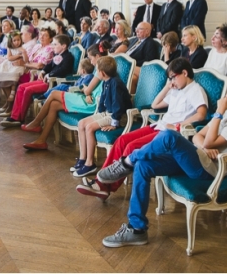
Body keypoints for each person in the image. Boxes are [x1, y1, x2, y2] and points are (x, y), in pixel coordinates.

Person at [99, 74, 227, 247]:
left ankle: (126, 162)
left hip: (210, 169)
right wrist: (207, 145)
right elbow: (198, 137)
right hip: (198, 157)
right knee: (143, 165)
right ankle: (136, 229)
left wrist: (219, 114)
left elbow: (207, 140)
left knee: (169, 136)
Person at [76, 58, 208, 200]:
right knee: (122, 140)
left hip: (168, 134)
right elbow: (155, 105)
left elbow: (201, 115)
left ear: (184, 73)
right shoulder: (176, 89)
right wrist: (168, 87)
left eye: (173, 77)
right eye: (170, 78)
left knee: (131, 147)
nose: (172, 81)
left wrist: (178, 126)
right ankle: (100, 182)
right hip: (158, 126)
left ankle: (105, 186)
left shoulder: (195, 90)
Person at [70, 56, 131, 177]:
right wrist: (99, 114)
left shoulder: (116, 83)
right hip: (107, 112)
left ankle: (89, 164)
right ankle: (83, 159)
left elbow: (118, 105)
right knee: (82, 123)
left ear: (102, 73)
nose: (96, 73)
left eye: (97, 71)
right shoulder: (106, 81)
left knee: (89, 127)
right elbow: (103, 99)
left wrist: (114, 123)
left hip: (118, 116)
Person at [21, 58, 99, 151]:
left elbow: (88, 89)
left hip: (88, 102)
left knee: (54, 93)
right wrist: (87, 92)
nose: (91, 61)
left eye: (91, 57)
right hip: (83, 97)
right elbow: (88, 87)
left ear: (97, 56)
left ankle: (36, 122)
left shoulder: (99, 71)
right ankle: (41, 141)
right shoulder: (96, 70)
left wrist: (88, 93)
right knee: (54, 104)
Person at [0, 34, 75, 127]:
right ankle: (15, 116)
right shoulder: (57, 54)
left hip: (53, 83)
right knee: (21, 87)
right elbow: (48, 65)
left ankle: (20, 119)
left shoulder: (68, 57)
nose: (53, 46)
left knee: (28, 90)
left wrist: (49, 75)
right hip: (45, 79)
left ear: (63, 46)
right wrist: (43, 71)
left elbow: (63, 70)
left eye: (55, 44)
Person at [0, 31, 28, 108]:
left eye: (18, 40)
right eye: (14, 40)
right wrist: (17, 55)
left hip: (18, 67)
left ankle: (11, 97)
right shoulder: (10, 48)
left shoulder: (22, 49)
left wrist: (23, 53)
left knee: (12, 74)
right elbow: (9, 58)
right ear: (11, 41)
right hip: (9, 64)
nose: (17, 42)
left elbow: (26, 61)